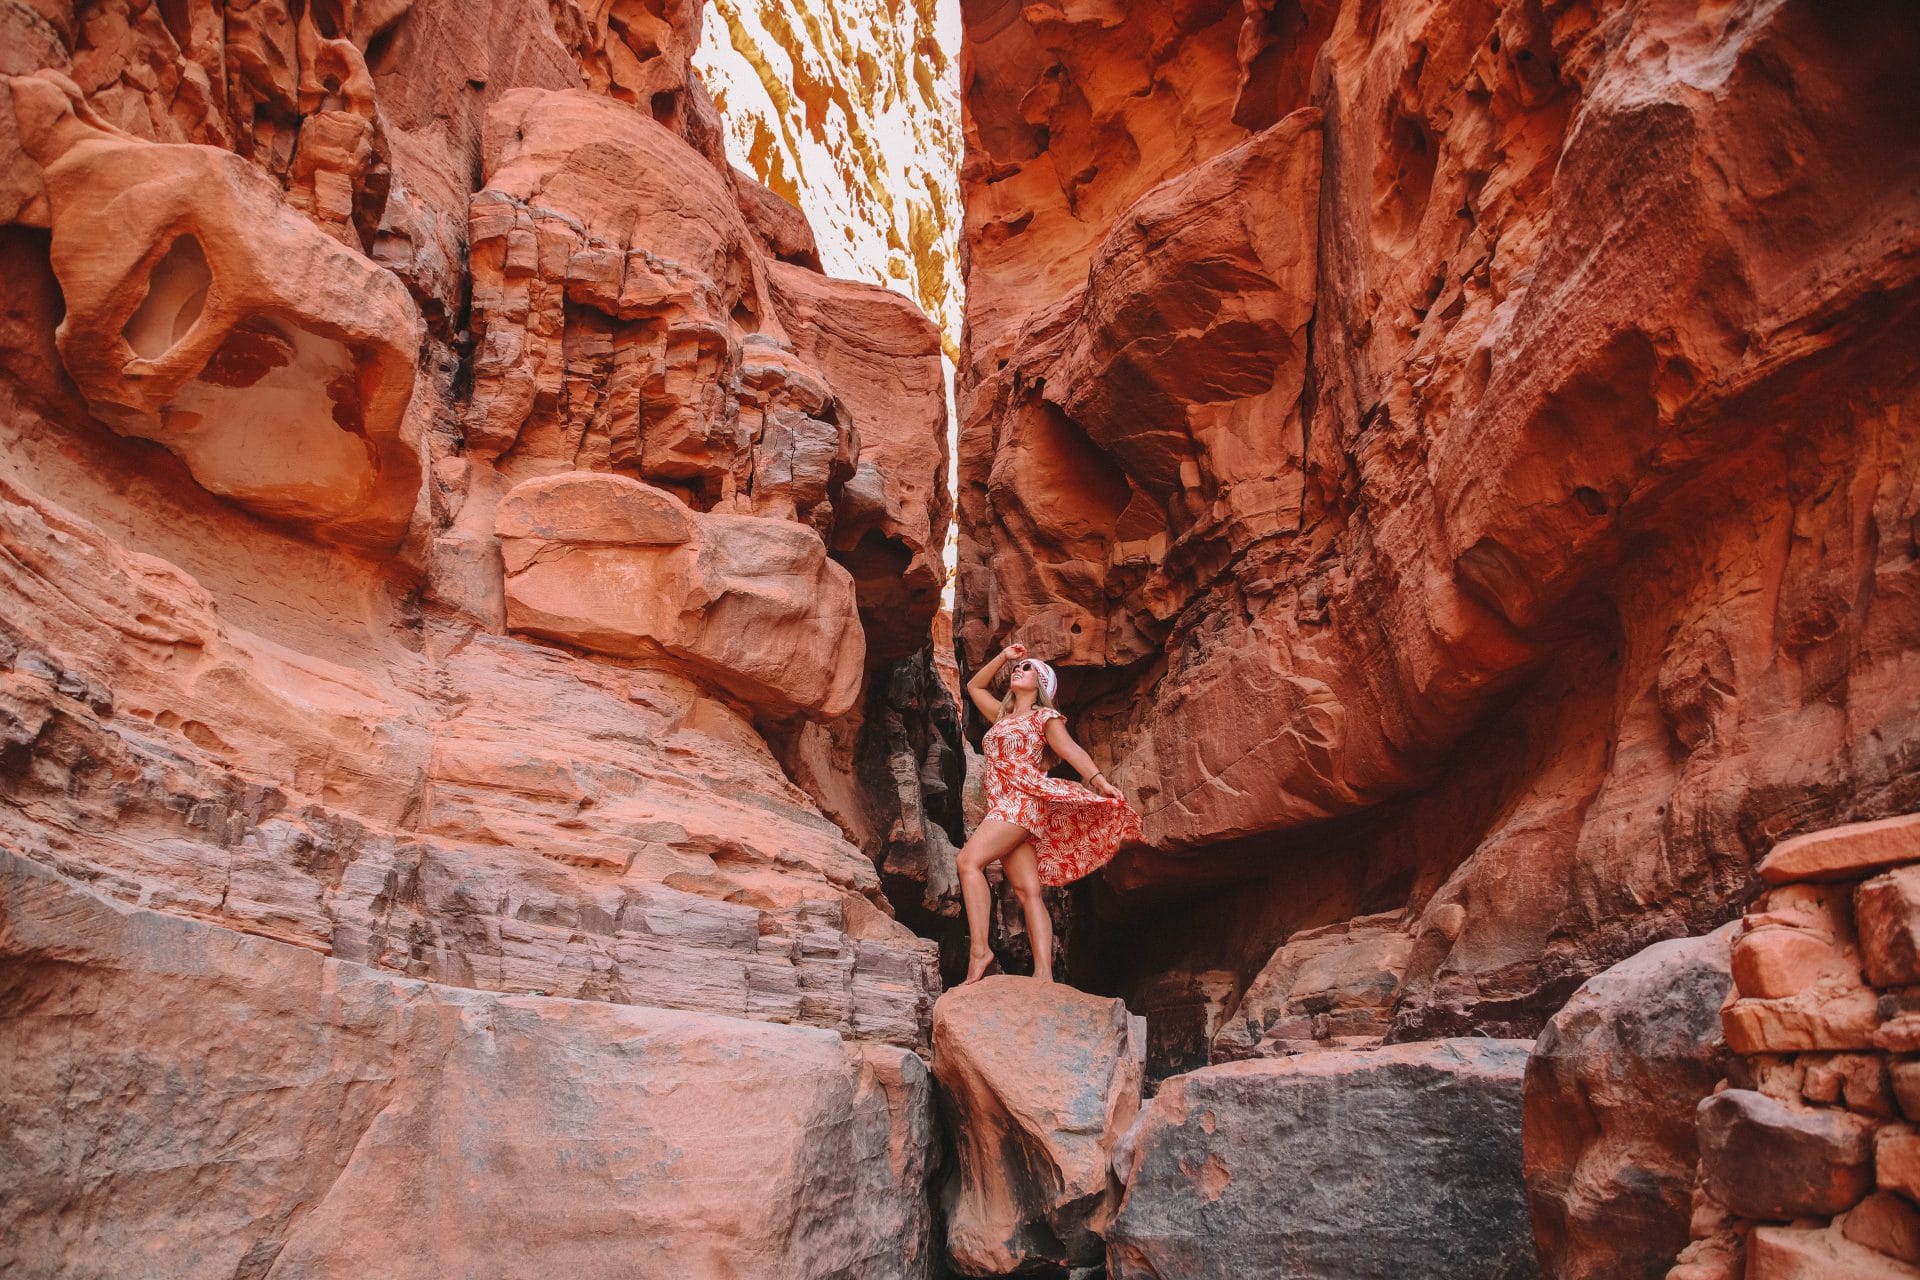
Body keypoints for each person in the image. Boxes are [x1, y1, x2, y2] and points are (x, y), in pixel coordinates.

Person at [957, 641, 1142, 985]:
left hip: (1022, 801)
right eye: (1019, 666)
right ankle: (1044, 975)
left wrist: (1099, 782)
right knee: (1028, 891)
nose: (1019, 669)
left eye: (1028, 668)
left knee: (968, 862)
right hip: (1001, 804)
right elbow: (973, 686)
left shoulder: (1045, 717)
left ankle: (980, 952)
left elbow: (1071, 750)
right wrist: (1003, 657)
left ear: (1041, 683)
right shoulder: (1000, 715)